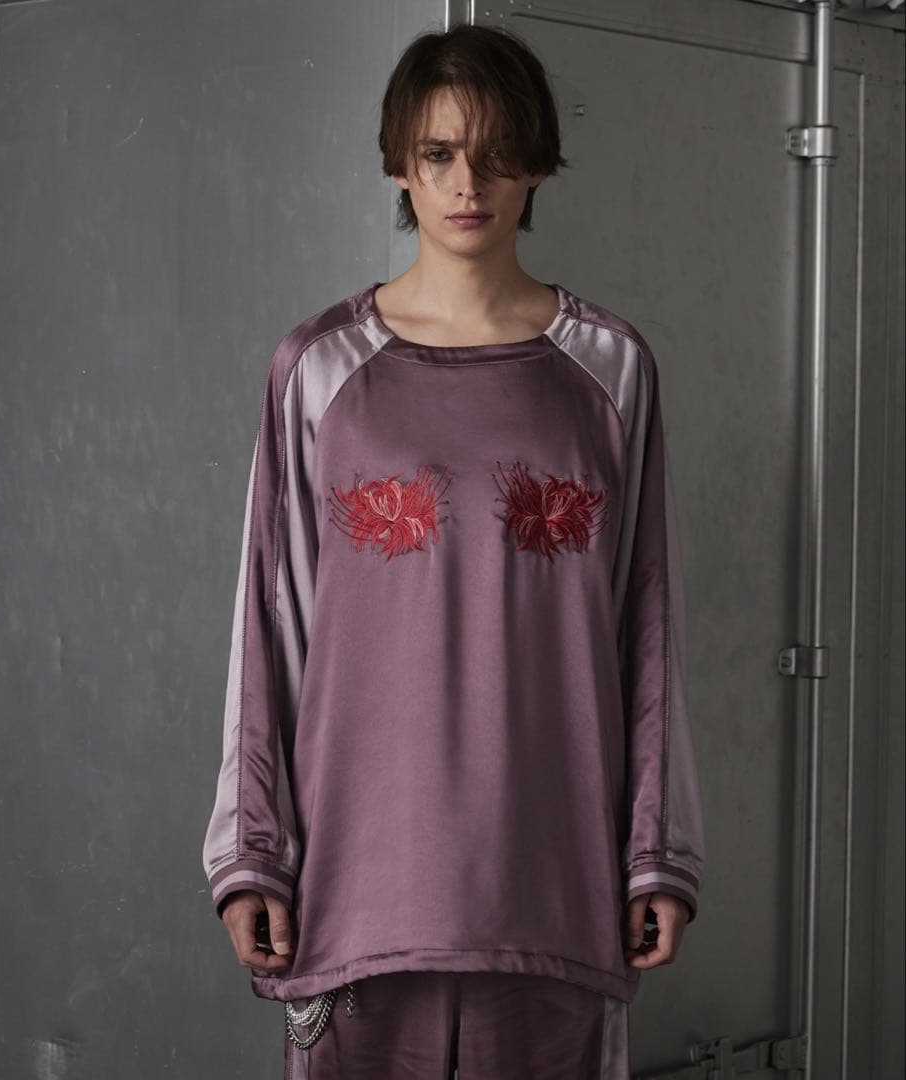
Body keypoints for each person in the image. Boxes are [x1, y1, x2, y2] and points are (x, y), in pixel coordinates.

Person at [202, 22, 705, 1080]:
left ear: (539, 164)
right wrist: (252, 855)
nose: (467, 183)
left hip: (554, 884)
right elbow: (269, 628)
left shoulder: (611, 370)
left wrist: (654, 854)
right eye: (438, 153)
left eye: (496, 151)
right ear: (399, 163)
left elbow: (646, 626)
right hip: (355, 892)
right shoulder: (319, 369)